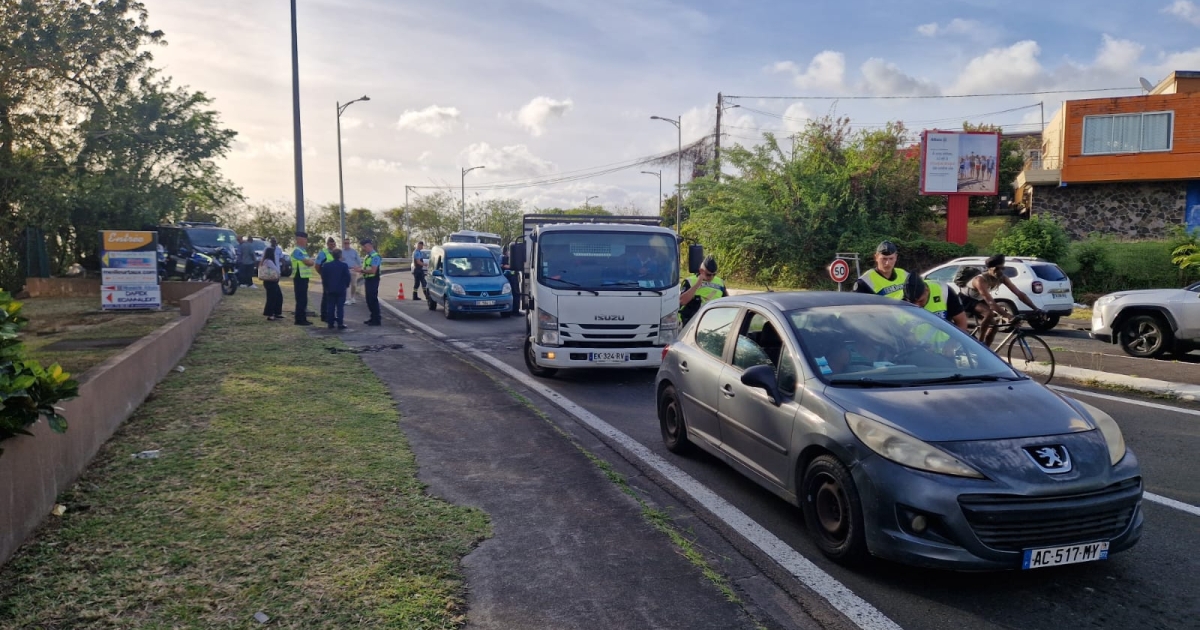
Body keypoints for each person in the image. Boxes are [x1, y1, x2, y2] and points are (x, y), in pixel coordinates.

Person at [961, 254, 1042, 345]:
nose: (1000, 271)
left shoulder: (1002, 278)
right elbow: (991, 303)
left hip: (978, 299)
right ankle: (979, 344)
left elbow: (1019, 294)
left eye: (1002, 268)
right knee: (989, 313)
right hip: (965, 299)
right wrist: (1008, 316)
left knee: (994, 327)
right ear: (990, 268)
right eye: (997, 269)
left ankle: (987, 351)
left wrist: (1035, 308)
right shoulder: (980, 280)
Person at [901, 272, 969, 333]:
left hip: (946, 343)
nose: (917, 305)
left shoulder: (944, 290)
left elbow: (961, 322)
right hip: (919, 345)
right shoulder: (902, 301)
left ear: (927, 290)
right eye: (912, 303)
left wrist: (952, 344)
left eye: (920, 301)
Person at [678, 256, 728, 326]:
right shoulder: (690, 281)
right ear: (701, 270)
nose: (711, 277)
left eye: (714, 274)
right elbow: (681, 301)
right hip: (691, 322)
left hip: (712, 322)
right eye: (708, 274)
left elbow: (727, 301)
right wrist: (698, 284)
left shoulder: (720, 282)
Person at [321, 248, 352, 330]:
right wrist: (346, 285)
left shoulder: (326, 265)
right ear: (340, 256)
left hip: (330, 289)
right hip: (341, 289)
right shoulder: (344, 265)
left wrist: (326, 287)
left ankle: (330, 324)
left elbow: (324, 278)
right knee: (340, 307)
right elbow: (348, 277)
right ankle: (340, 323)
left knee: (330, 307)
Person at [291, 232, 315, 326]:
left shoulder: (303, 250)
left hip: (304, 277)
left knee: (303, 299)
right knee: (301, 299)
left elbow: (309, 261)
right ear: (299, 239)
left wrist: (310, 261)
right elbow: (308, 262)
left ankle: (303, 318)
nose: (306, 241)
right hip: (299, 277)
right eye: (304, 239)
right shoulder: (297, 251)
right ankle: (299, 319)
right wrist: (310, 262)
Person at [361, 238, 382, 326]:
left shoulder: (375, 256)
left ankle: (376, 319)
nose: (364, 249)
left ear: (370, 246)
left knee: (373, 299)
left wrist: (361, 270)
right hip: (368, 279)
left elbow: (373, 270)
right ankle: (372, 317)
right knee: (368, 300)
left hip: (373, 279)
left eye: (365, 247)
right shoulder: (367, 256)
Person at [260, 245, 284, 320]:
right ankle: (270, 314)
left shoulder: (265, 261)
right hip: (271, 282)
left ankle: (276, 312)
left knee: (278, 296)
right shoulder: (268, 261)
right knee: (272, 298)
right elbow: (276, 269)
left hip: (271, 282)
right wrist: (279, 273)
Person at [315, 237, 336, 322]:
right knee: (326, 297)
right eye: (331, 244)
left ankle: (331, 315)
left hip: (334, 278)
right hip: (327, 278)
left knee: (333, 297)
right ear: (327, 244)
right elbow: (317, 266)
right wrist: (322, 274)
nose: (332, 245)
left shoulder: (336, 253)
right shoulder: (323, 253)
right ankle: (324, 315)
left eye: (334, 244)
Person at [341, 237, 362, 305]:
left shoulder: (354, 251)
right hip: (345, 270)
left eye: (348, 243)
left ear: (350, 243)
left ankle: (352, 297)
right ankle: (348, 299)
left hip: (353, 270)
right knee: (347, 285)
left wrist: (359, 268)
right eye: (345, 243)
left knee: (353, 284)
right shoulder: (341, 252)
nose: (346, 244)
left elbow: (358, 261)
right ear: (343, 244)